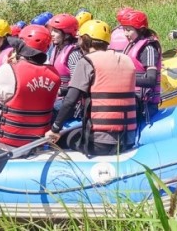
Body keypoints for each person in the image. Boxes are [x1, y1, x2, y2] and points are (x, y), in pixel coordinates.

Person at [45, 20, 138, 156]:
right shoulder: (126, 60)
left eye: (80, 39)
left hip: (100, 143)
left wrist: (54, 129)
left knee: (60, 140)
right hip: (127, 139)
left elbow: (70, 100)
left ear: (85, 40)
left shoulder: (87, 61)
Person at [0, 25, 60, 150]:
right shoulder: (55, 75)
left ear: (21, 47)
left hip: (8, 145)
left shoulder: (9, 69)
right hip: (37, 143)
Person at [117, 9, 162, 124]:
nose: (125, 34)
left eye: (129, 30)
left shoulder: (148, 49)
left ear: (141, 30)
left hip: (144, 104)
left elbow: (151, 80)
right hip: (132, 98)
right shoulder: (132, 45)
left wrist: (125, 80)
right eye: (124, 30)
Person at [45, 13, 82, 115]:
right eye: (52, 30)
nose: (52, 34)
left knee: (47, 111)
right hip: (56, 97)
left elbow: (78, 84)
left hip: (69, 101)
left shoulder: (73, 54)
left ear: (66, 35)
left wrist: (62, 91)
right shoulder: (55, 49)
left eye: (56, 31)